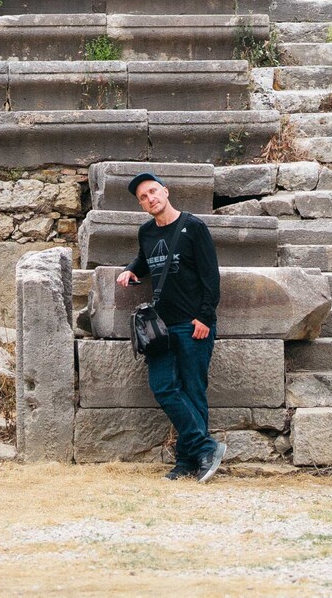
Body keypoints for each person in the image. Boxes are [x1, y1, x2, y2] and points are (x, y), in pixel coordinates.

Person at [115, 171, 225, 482]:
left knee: (193, 391)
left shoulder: (194, 227)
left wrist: (205, 317)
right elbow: (144, 259)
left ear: (165, 190)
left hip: (193, 326)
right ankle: (206, 448)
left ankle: (188, 461)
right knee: (163, 386)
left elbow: (211, 278)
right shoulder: (146, 232)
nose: (150, 199)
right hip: (161, 328)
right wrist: (130, 270)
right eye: (143, 198)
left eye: (152, 191)